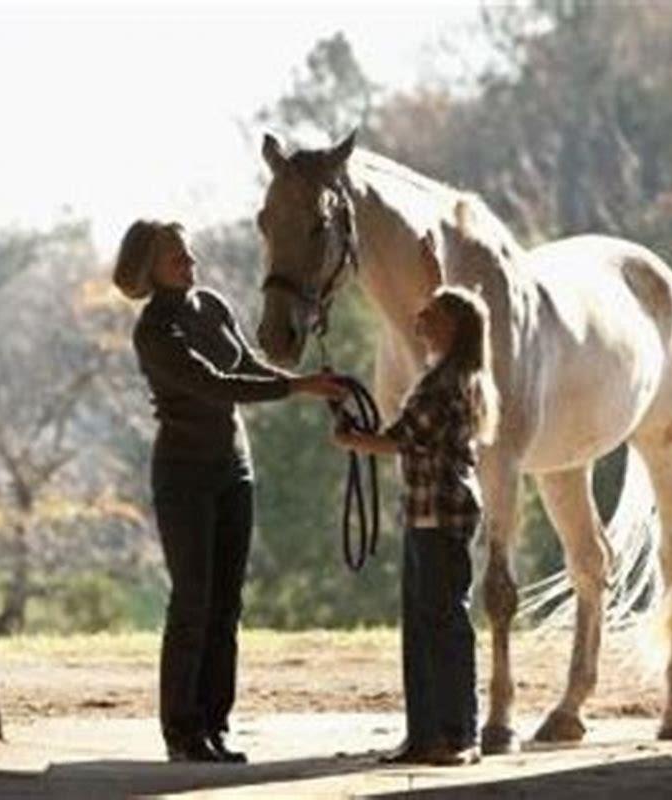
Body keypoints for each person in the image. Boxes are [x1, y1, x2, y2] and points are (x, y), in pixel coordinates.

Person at [113, 219, 345, 763]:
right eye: (176, 256)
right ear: (150, 269)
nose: (190, 260)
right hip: (184, 474)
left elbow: (243, 365)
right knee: (192, 599)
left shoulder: (211, 305)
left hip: (233, 468)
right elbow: (216, 384)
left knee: (226, 602)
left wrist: (307, 377)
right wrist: (298, 387)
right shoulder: (154, 332)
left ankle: (215, 723)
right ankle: (182, 730)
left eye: (188, 250)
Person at [332, 234, 498, 766]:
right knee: (430, 622)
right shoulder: (459, 373)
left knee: (443, 623)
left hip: (437, 513)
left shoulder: (444, 382)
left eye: (431, 316)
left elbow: (402, 437)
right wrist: (432, 272)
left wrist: (353, 439)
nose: (420, 322)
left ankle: (457, 734)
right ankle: (430, 733)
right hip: (432, 512)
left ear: (452, 328)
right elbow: (433, 316)